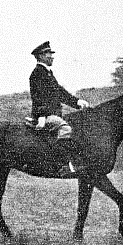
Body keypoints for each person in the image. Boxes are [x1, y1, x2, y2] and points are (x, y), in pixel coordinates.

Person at [29, 41, 91, 177]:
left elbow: (60, 93)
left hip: (54, 114)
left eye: (51, 53)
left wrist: (78, 102)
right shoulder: (37, 74)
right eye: (48, 53)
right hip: (46, 116)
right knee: (66, 129)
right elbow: (37, 97)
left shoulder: (48, 73)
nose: (52, 56)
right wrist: (41, 116)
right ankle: (63, 165)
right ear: (40, 56)